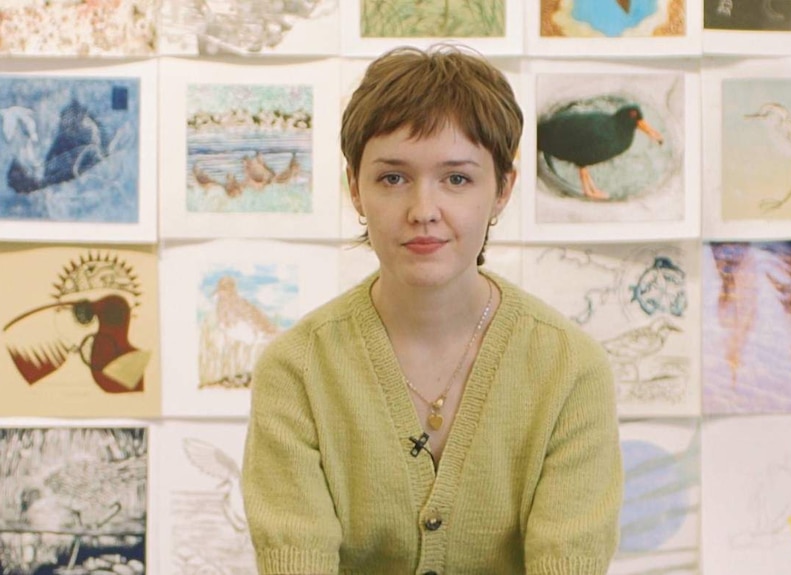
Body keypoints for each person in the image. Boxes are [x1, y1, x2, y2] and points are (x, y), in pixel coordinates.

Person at [241, 44, 623, 575]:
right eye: (392, 178)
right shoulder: (296, 370)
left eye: (457, 179)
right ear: (355, 188)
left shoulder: (569, 369)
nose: (423, 211)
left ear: (502, 190)